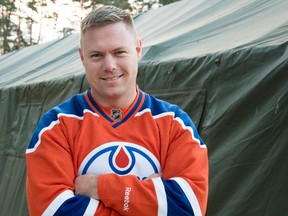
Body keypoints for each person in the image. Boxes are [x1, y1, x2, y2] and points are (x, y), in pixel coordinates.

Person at [25, 5, 208, 216]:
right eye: (96, 55)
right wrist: (150, 197)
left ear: (138, 50)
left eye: (119, 52)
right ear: (82, 58)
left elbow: (188, 208)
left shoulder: (175, 124)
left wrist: (99, 187)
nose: (109, 65)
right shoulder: (57, 126)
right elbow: (53, 211)